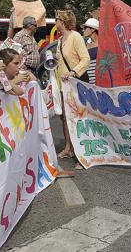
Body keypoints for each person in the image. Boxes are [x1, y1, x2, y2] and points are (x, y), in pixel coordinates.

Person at [54, 10, 90, 170]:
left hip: (77, 82)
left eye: (56, 19)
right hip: (63, 85)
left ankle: (83, 155)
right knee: (65, 118)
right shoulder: (61, 40)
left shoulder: (75, 37)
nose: (55, 22)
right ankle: (69, 148)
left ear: (62, 21)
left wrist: (74, 72)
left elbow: (85, 59)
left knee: (78, 118)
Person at [82, 17, 99, 84]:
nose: (83, 30)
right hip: (89, 81)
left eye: (85, 28)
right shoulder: (86, 44)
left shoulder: (103, 44)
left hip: (101, 80)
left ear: (93, 29)